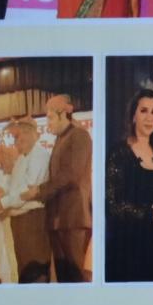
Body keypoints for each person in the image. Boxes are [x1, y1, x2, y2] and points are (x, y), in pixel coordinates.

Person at [103, 85, 153, 283]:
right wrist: (151, 215)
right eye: (143, 111)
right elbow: (113, 206)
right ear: (133, 116)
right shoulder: (118, 153)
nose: (149, 117)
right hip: (127, 252)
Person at [35, 94, 95, 280]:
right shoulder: (60, 139)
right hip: (57, 220)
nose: (48, 124)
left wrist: (38, 191)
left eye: (50, 118)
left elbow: (70, 175)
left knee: (77, 276)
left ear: (63, 114)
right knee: (64, 278)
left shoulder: (79, 135)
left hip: (73, 218)